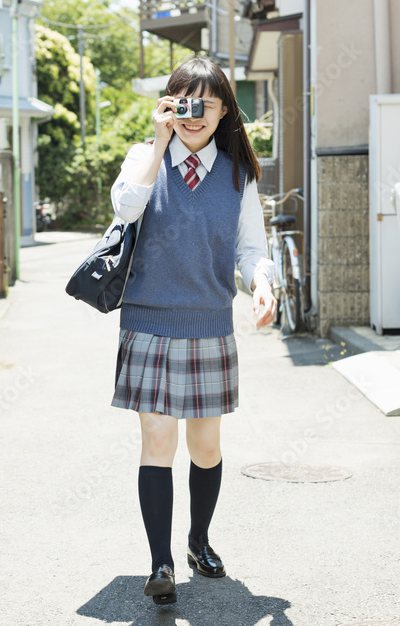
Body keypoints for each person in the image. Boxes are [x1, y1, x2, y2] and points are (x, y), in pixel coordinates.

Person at [109, 57, 277, 605]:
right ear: (167, 104)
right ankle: (159, 563)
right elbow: (125, 209)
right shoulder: (143, 157)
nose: (192, 114)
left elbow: (252, 246)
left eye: (204, 104)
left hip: (208, 323)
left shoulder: (237, 172)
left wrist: (261, 283)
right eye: (182, 102)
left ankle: (198, 540)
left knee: (205, 447)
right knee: (158, 441)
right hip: (148, 320)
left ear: (224, 108)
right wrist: (157, 147)